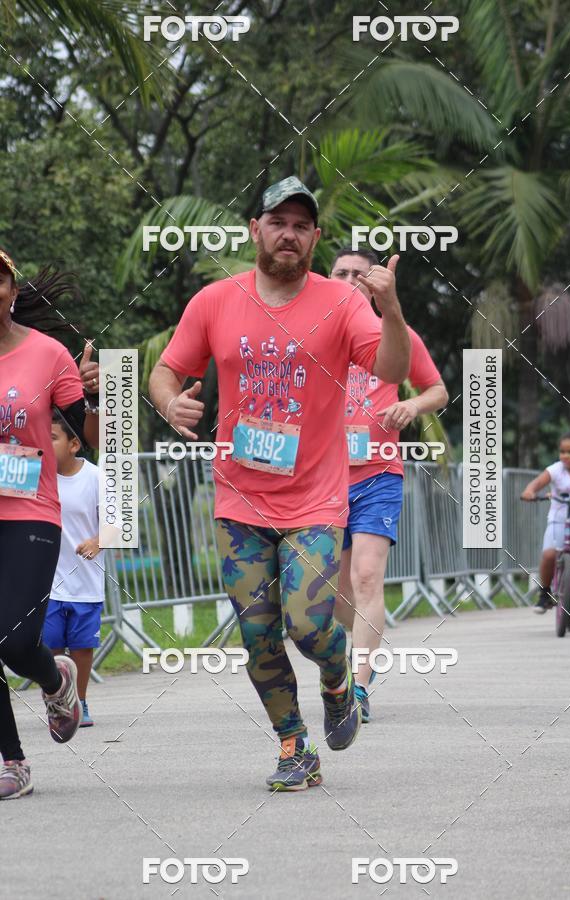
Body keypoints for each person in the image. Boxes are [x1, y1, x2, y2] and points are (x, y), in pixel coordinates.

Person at [149, 176, 411, 791]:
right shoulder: (215, 300)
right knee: (257, 631)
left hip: (316, 499)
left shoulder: (343, 303)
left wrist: (392, 309)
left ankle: (338, 676)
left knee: (307, 622)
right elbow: (165, 371)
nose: (288, 234)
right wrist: (168, 405)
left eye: (301, 225)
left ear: (315, 237)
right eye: (277, 222)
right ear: (254, 231)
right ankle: (295, 747)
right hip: (238, 498)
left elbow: (393, 368)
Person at [330, 247, 448, 721]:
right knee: (332, 592)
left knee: (366, 578)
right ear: (327, 277)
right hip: (324, 479)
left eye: (362, 273)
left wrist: (412, 407)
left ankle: (357, 688)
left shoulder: (394, 334)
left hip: (378, 474)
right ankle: (365, 643)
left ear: (378, 282)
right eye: (341, 272)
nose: (352, 279)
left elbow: (436, 388)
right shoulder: (312, 335)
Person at [0, 250, 100, 800]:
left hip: (30, 512)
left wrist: (93, 393)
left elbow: (86, 434)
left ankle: (56, 678)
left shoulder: (47, 353)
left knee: (14, 641)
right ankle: (12, 762)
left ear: (12, 290)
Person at [42, 413, 105, 727]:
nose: (44, 444)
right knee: (51, 645)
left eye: (52, 438)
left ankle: (80, 702)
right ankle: (59, 702)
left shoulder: (94, 477)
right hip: (48, 583)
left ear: (74, 444)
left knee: (81, 647)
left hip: (86, 582)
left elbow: (118, 523)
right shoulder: (38, 478)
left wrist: (97, 540)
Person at [521, 421, 570, 612]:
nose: (565, 456)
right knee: (549, 555)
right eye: (562, 452)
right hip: (558, 520)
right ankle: (545, 594)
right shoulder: (555, 470)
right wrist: (529, 492)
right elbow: (536, 484)